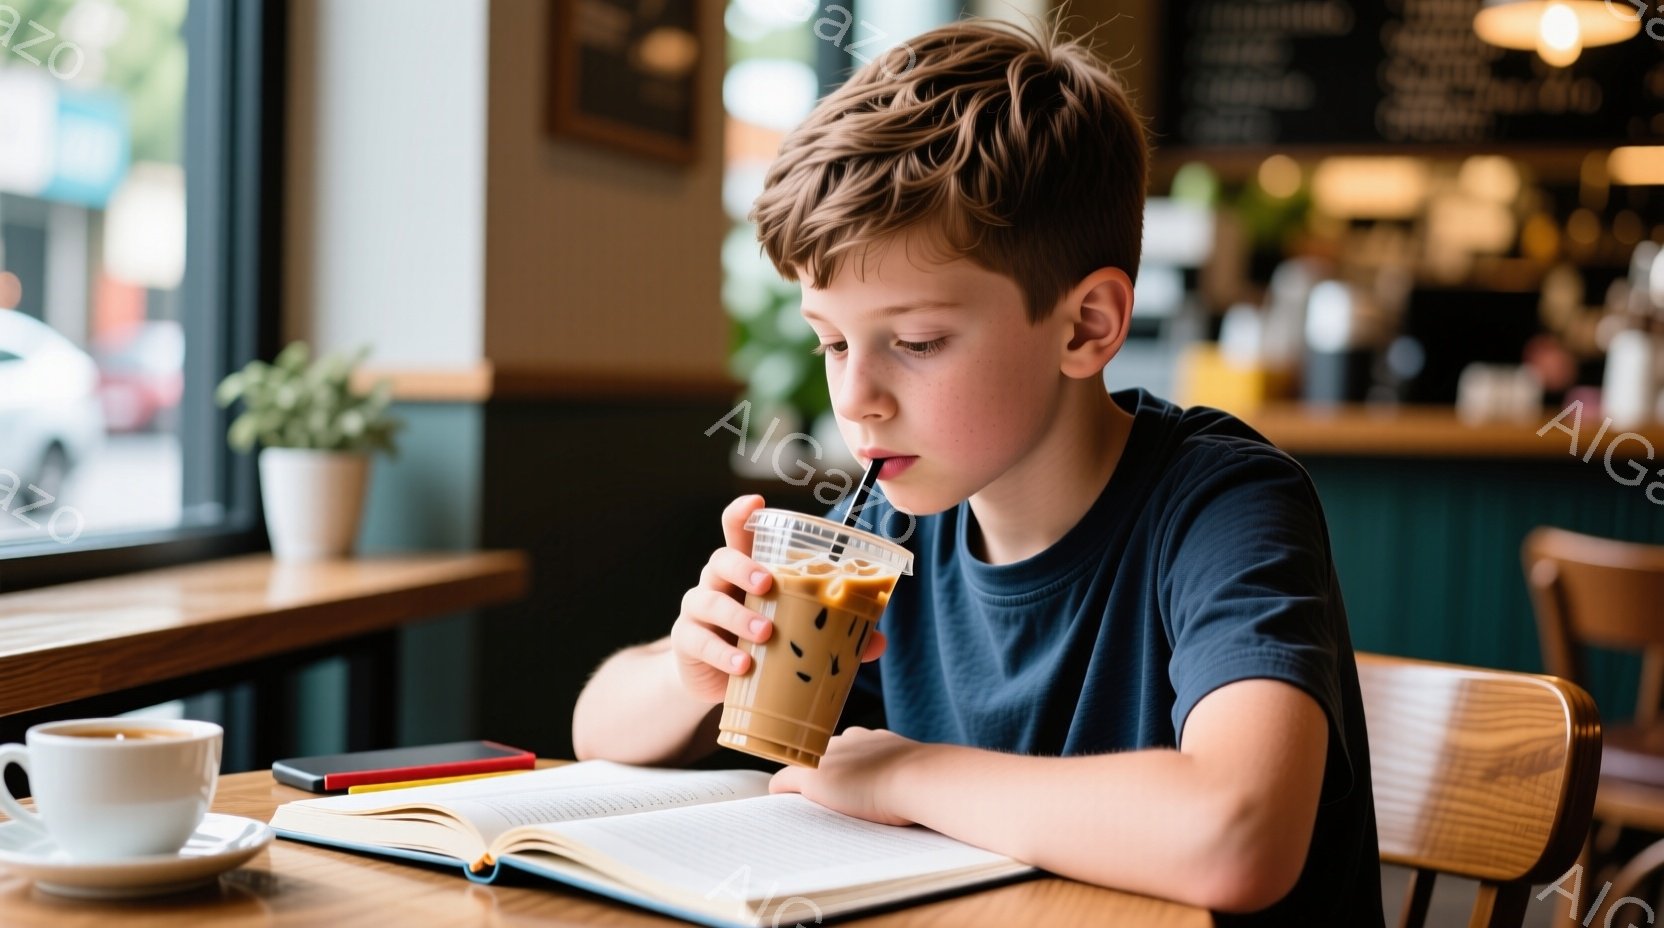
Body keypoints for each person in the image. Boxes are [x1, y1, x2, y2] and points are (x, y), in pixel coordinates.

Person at [572, 18, 1383, 924]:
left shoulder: (1222, 506)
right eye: (832, 342)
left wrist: (904, 771)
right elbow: (596, 728)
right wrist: (695, 668)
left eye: (916, 342)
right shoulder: (888, 534)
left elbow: (1237, 835)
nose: (858, 396)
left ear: (1086, 326)